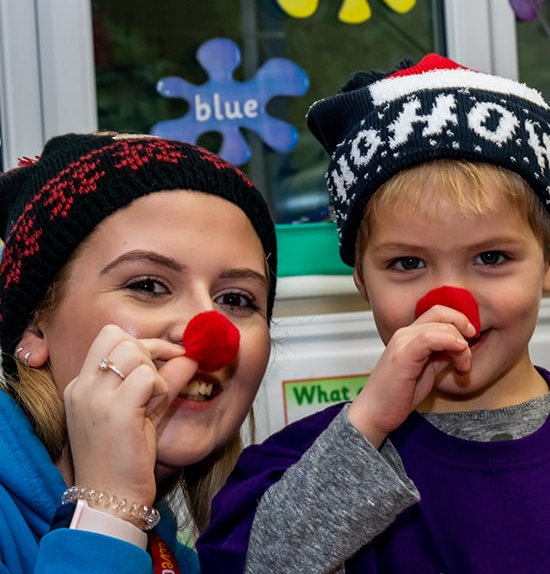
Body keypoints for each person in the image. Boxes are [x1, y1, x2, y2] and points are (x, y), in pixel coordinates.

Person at [196, 53, 550, 572]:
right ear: (361, 280)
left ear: (546, 265)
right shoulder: (295, 465)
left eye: (491, 258)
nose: (448, 300)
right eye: (407, 263)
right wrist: (366, 426)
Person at [0, 131, 277, 573]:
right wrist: (107, 513)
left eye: (237, 299)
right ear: (34, 327)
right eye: (148, 285)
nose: (209, 332)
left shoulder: (175, 552)